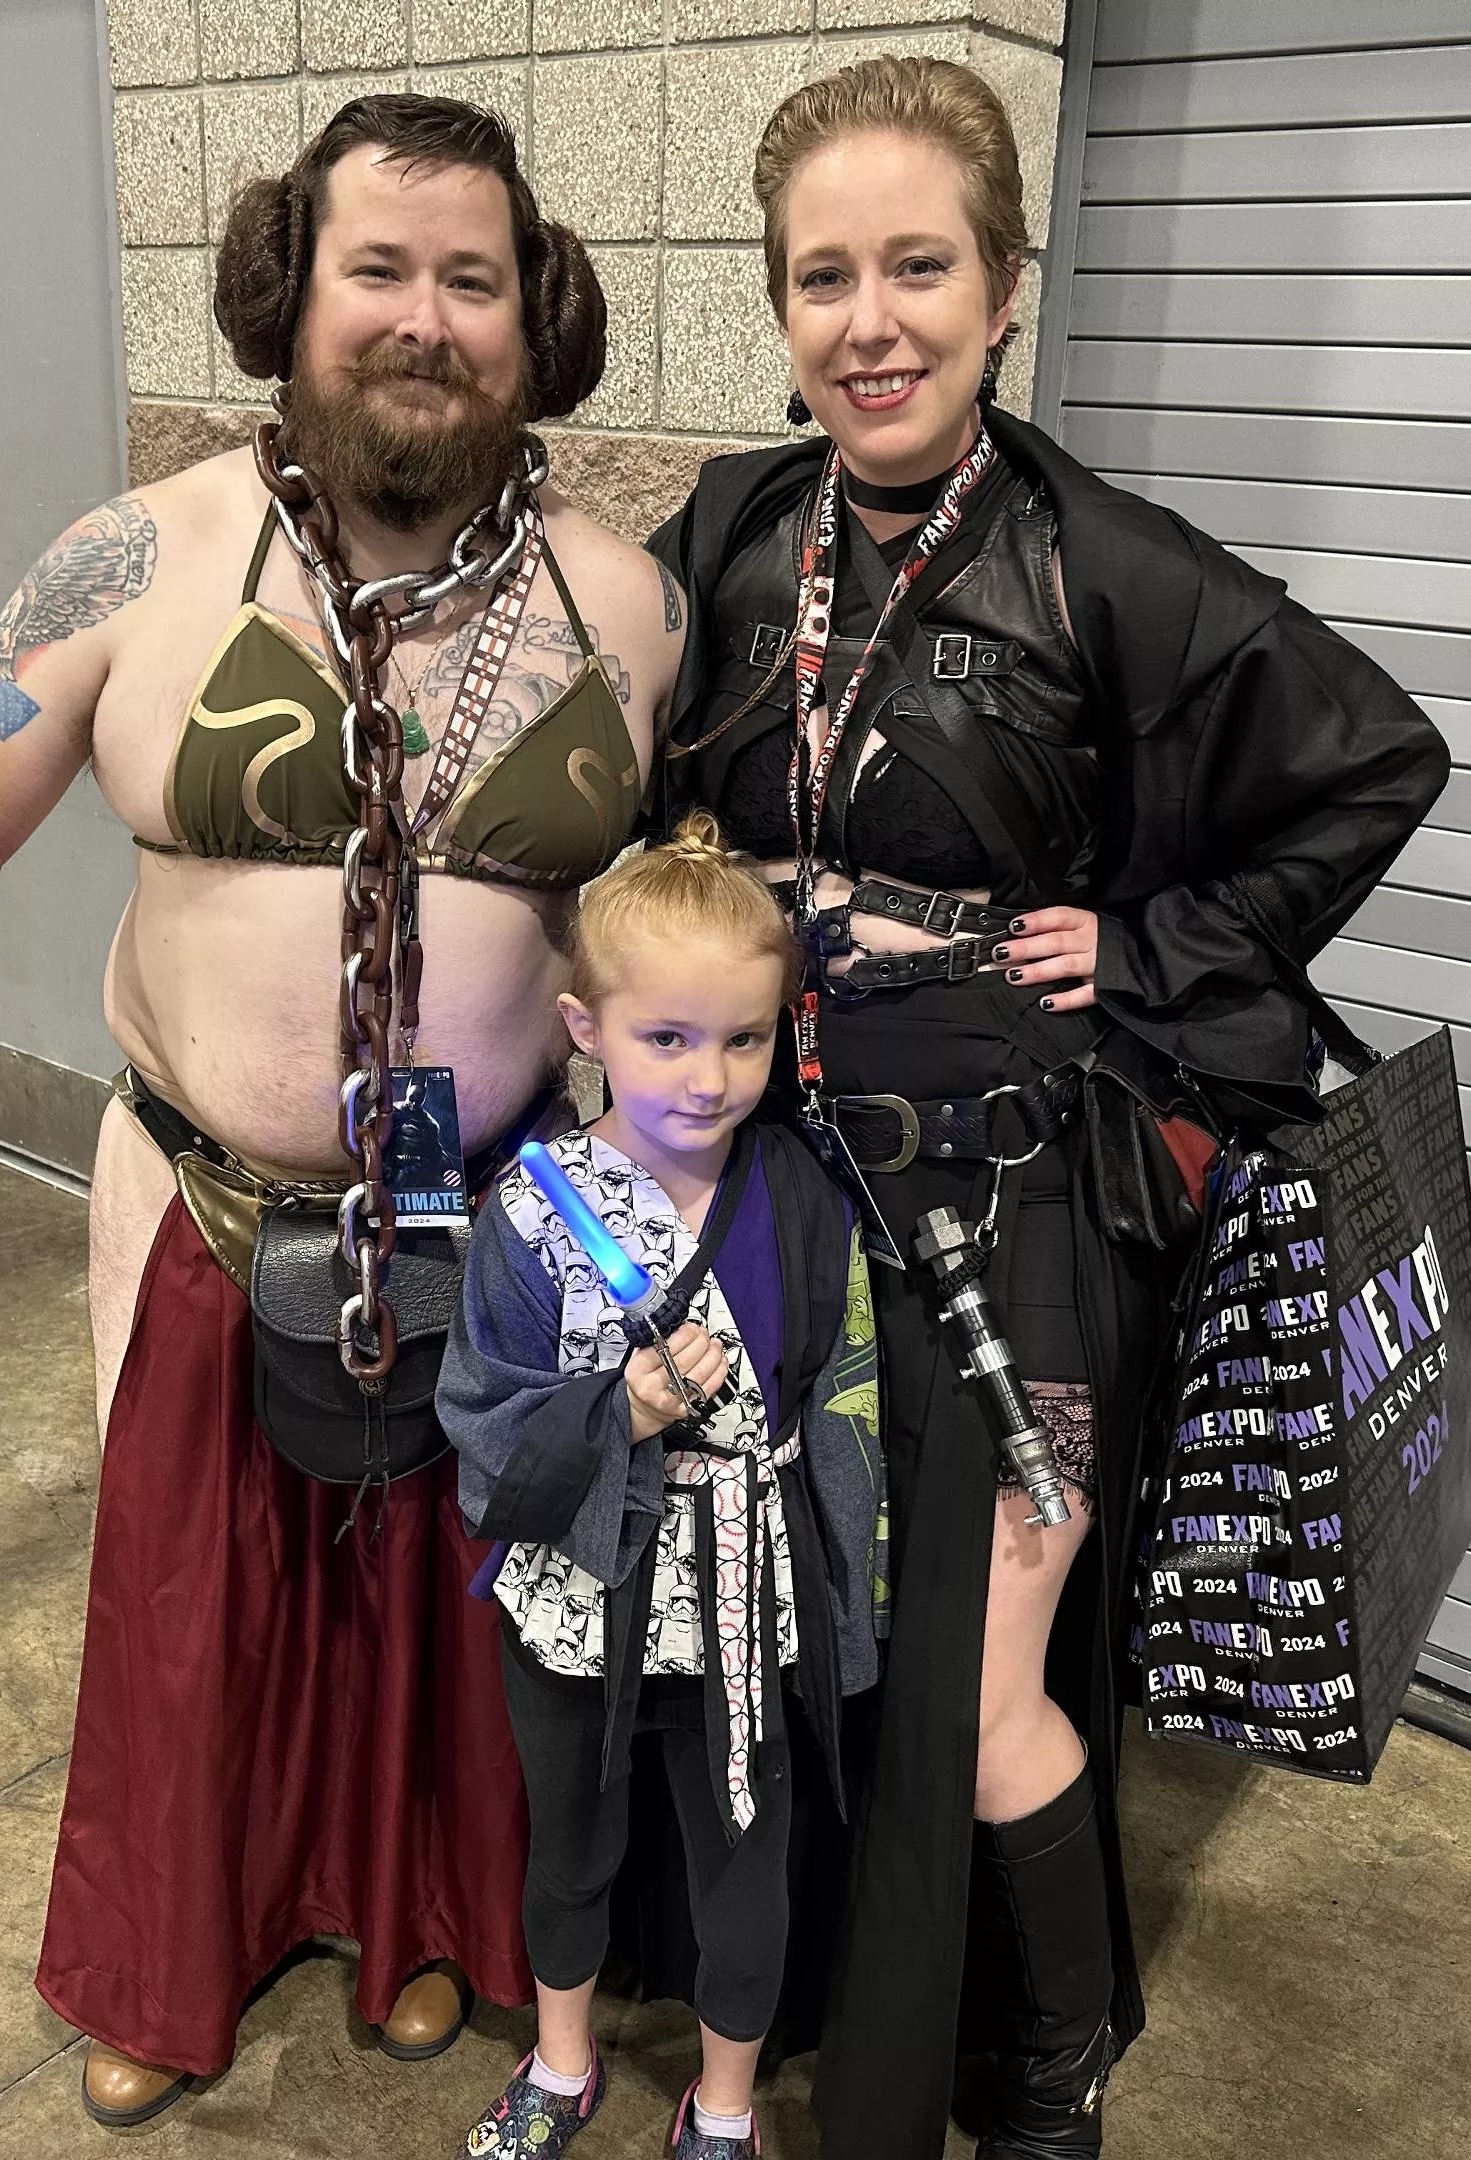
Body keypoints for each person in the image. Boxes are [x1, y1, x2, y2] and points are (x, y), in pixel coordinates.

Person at [0, 94, 687, 2128]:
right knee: (189, 1616)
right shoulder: (140, 553)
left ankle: (414, 1920)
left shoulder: (627, 607)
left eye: (472, 280)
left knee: (450, 1603)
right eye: (378, 269)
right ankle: (168, 1961)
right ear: (290, 293)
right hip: (200, 1202)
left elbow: (678, 913)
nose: (423, 318)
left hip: (492, 1214)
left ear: (538, 315)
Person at [646, 56, 1451, 2160]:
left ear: (1005, 287)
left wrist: (1158, 941)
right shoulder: (732, 532)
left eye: (919, 267)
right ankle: (819, 1988)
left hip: (1018, 1218)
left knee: (980, 1682)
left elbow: (1377, 762)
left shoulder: (1106, 559)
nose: (871, 322)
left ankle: (1045, 2072)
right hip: (780, 1190)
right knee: (805, 1634)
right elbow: (612, 762)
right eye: (824, 275)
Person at [435, 812, 883, 2159]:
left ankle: (725, 2103)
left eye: (744, 1039)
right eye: (668, 1038)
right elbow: (478, 1414)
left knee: (747, 1865)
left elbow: (846, 1397)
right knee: (570, 1844)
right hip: (581, 1586)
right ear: (586, 1028)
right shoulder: (532, 1210)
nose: (709, 1077)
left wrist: (852, 1595)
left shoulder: (804, 1195)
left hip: (750, 1588)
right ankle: (562, 2063)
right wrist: (617, 1410)